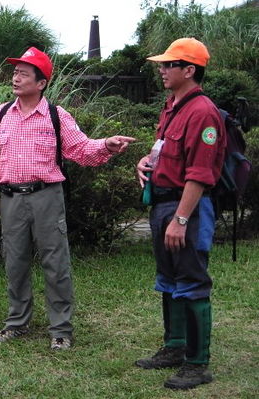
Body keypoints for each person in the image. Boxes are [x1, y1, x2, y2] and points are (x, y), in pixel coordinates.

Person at [0, 47, 135, 350]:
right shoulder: (2, 113)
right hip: (11, 200)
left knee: (55, 262)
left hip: (47, 197)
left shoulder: (56, 116)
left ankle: (61, 328)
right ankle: (17, 322)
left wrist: (107, 146)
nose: (15, 78)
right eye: (15, 72)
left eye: (23, 73)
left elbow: (83, 149)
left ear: (41, 82)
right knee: (15, 261)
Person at [135, 38, 226, 389]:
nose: (161, 69)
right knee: (169, 281)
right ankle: (174, 347)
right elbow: (165, 154)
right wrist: (145, 162)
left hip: (186, 207)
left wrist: (181, 219)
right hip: (163, 204)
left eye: (169, 64)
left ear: (189, 70)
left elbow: (200, 175)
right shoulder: (172, 106)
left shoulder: (202, 112)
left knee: (192, 281)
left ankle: (197, 364)